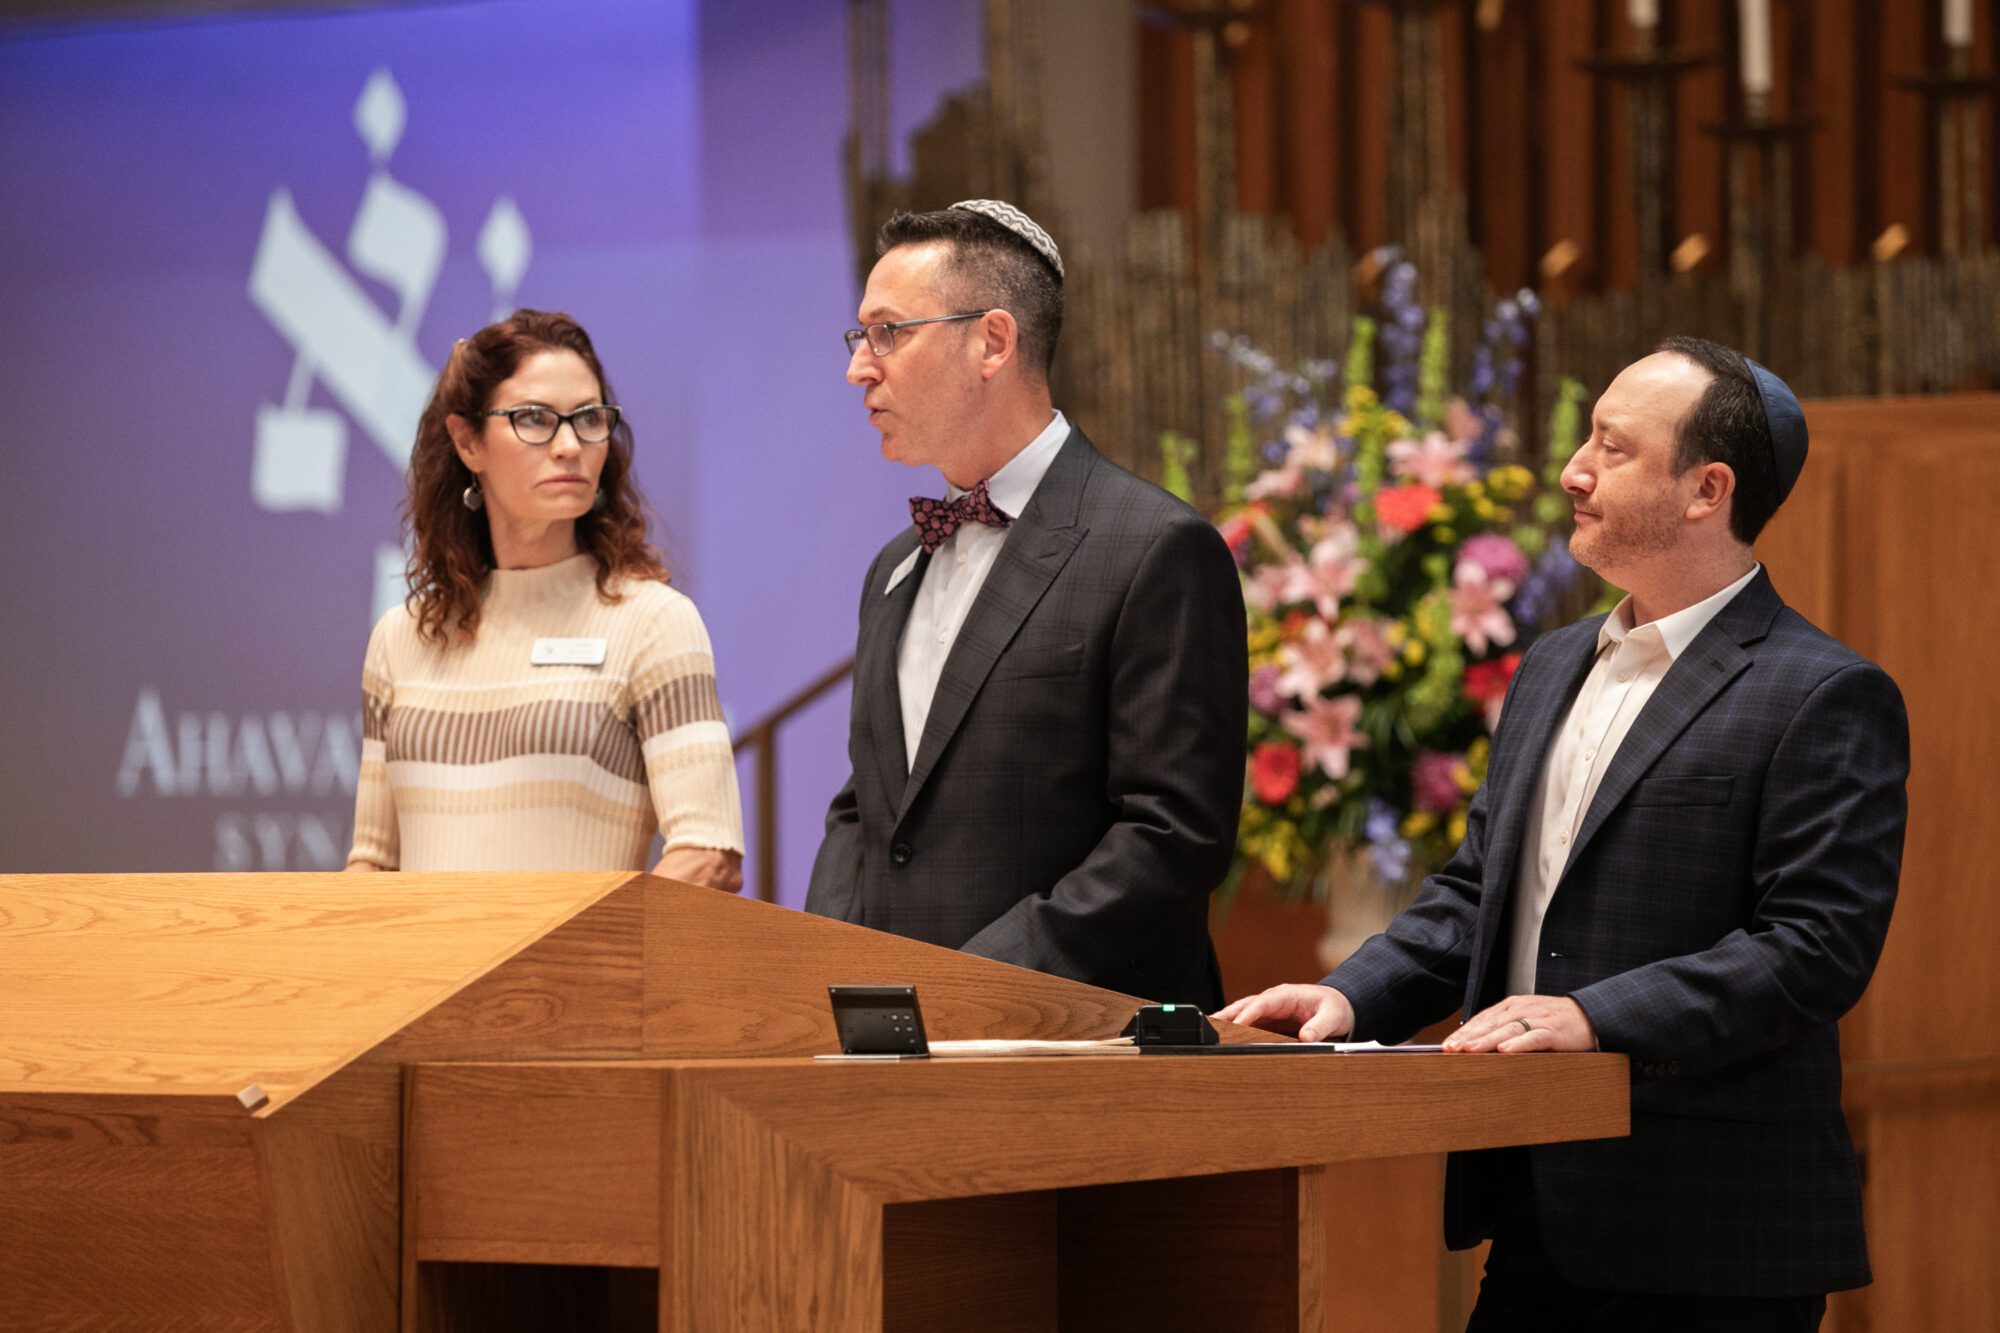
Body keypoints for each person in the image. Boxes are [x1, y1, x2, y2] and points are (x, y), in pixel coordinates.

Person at [1218, 337, 1908, 1331]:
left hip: (1711, 1234)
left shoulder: (1823, 691)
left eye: (1611, 448)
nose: (1572, 471)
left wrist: (1593, 1016)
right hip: (1534, 1211)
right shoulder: (1551, 664)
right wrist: (1350, 994)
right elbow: (1478, 892)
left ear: (1705, 489)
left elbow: (1814, 948)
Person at [804, 201, 1246, 1008]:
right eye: (859, 337)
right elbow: (864, 810)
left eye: (888, 333)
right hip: (900, 1034)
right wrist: (835, 971)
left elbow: (1173, 832)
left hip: (1080, 1038)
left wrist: (977, 985)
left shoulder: (1155, 546)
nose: (859, 368)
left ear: (993, 341)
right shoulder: (892, 569)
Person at [345, 309, 744, 889]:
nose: (568, 445)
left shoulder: (653, 622)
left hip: (581, 954)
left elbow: (709, 855)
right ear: (467, 441)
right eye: (534, 418)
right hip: (422, 954)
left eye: (588, 418)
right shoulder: (400, 637)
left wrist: (583, 942)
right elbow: (373, 864)